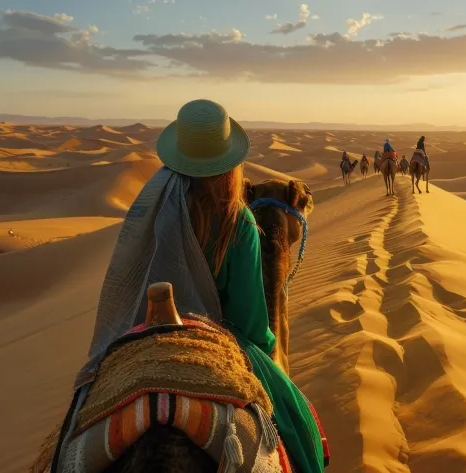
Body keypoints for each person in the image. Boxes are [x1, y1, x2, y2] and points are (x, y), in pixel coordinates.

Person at [83, 99, 325, 473]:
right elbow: (249, 323)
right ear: (230, 159)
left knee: (76, 417)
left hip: (139, 331)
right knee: (303, 429)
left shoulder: (149, 205)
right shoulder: (238, 223)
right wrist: (267, 351)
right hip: (215, 341)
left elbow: (125, 279)